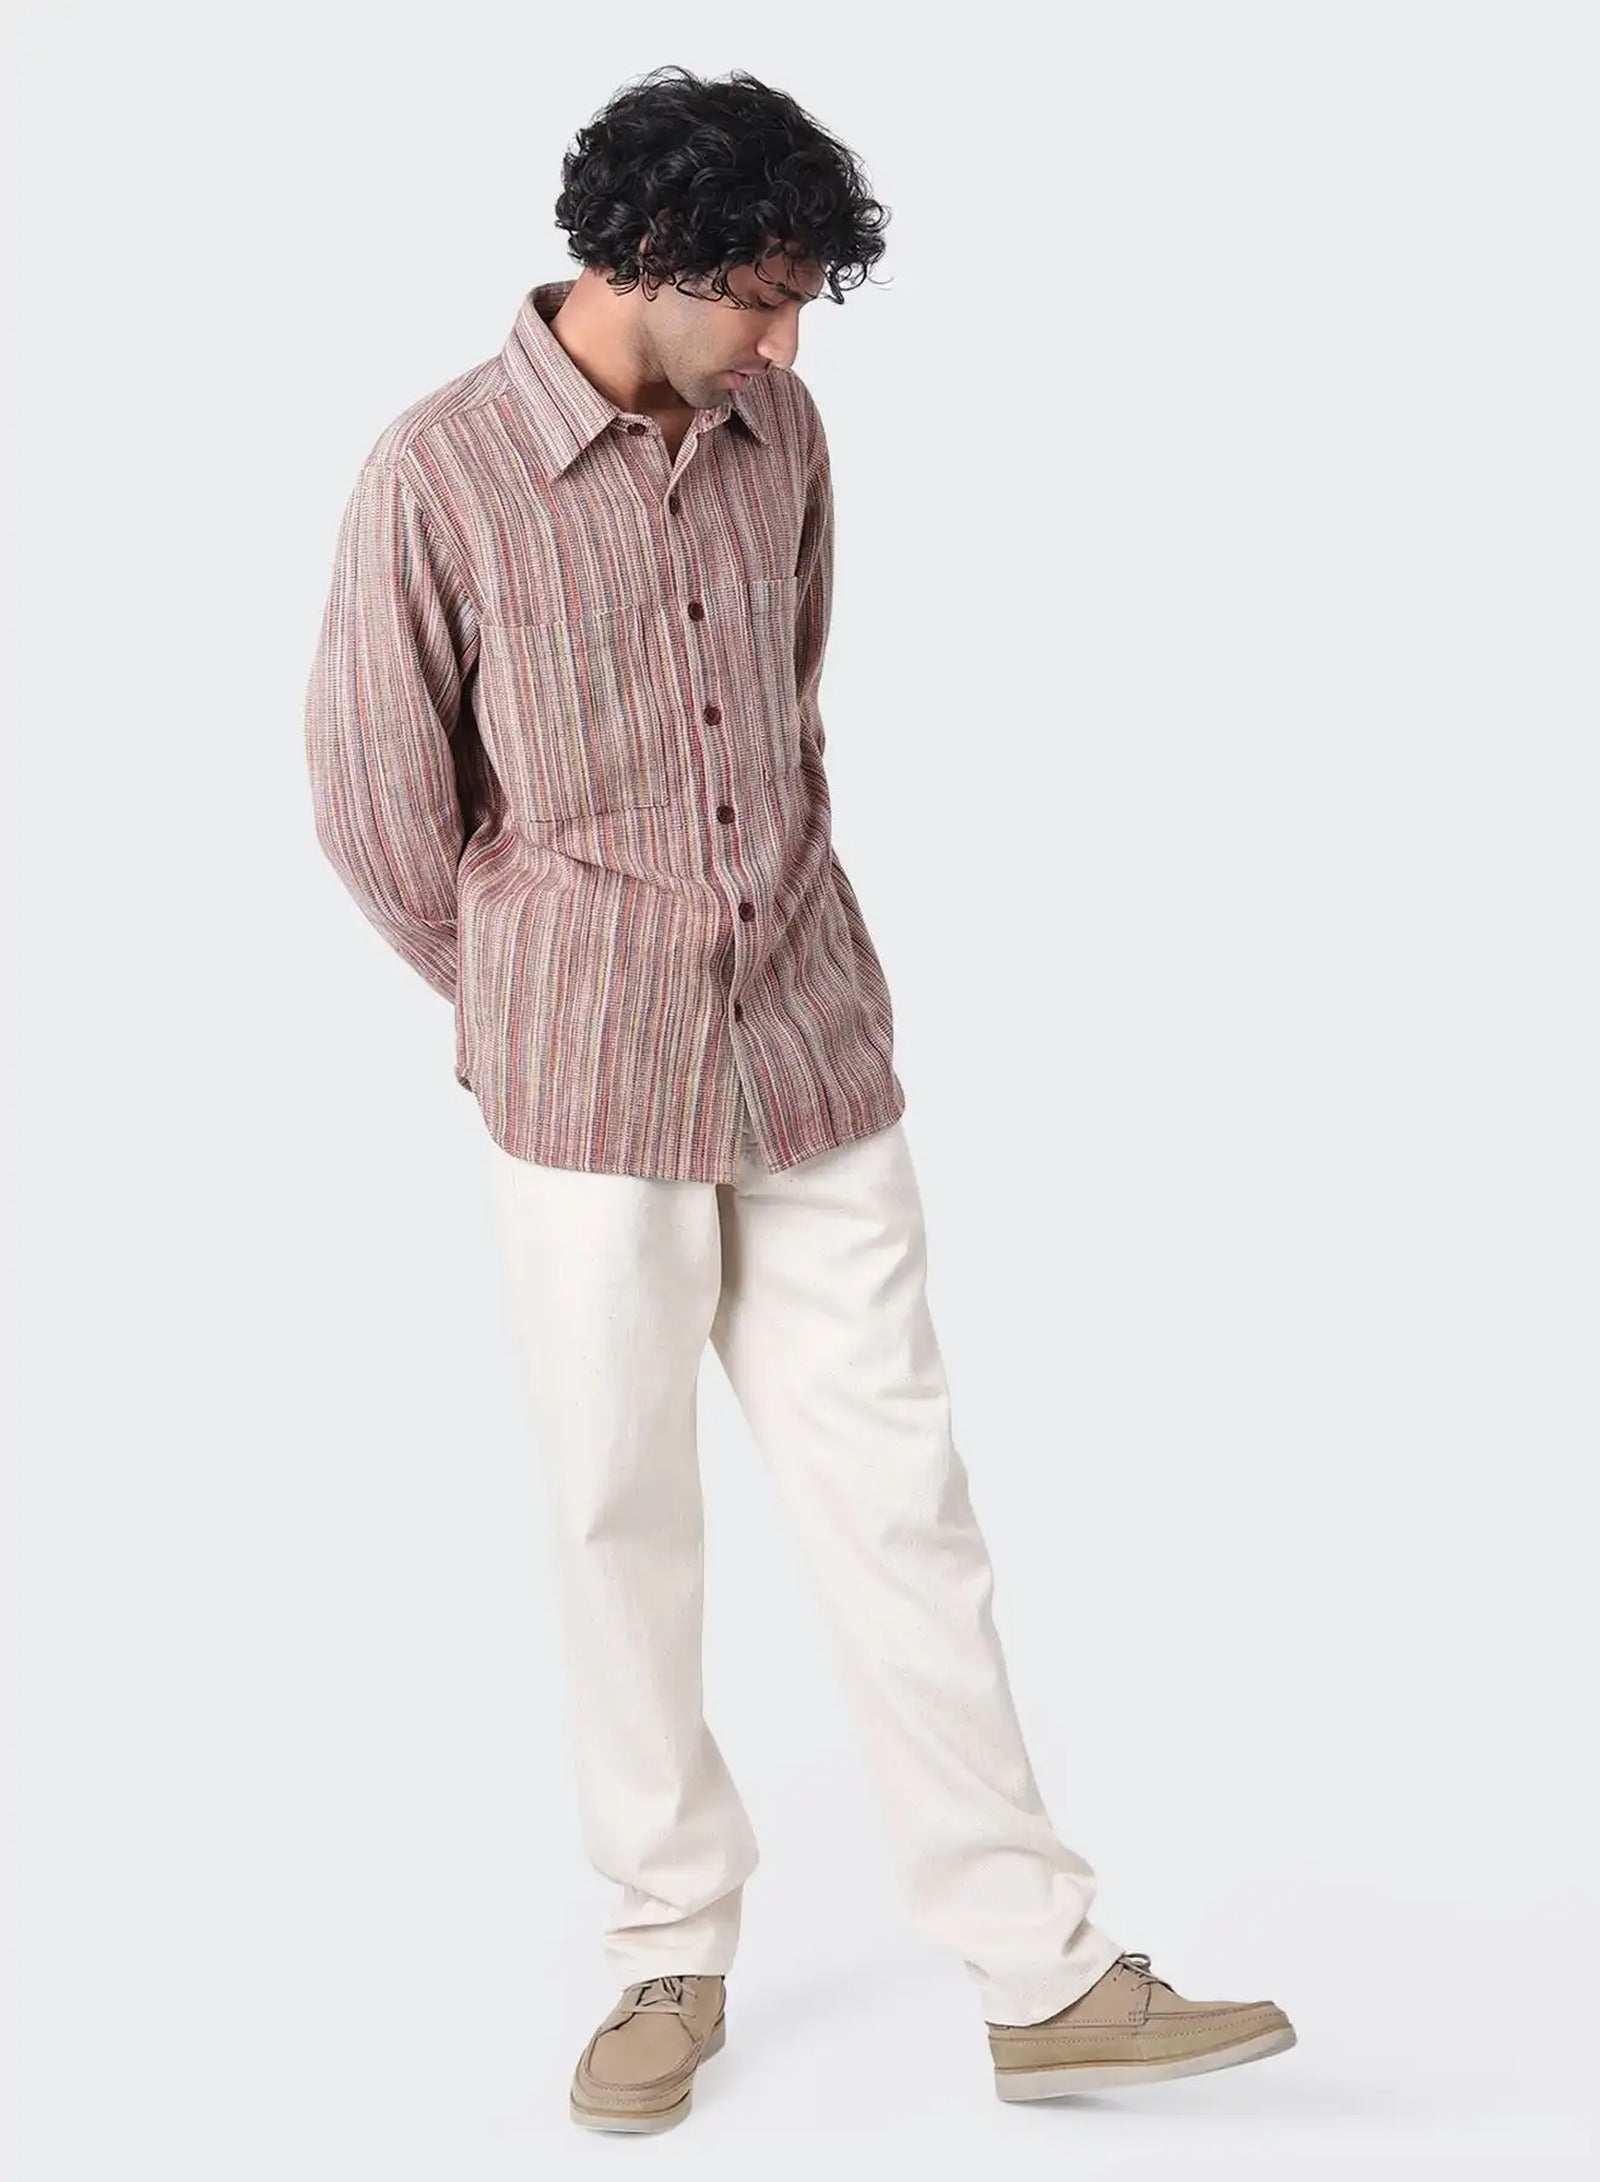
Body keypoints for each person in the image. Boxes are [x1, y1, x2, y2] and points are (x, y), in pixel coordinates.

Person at [303, 64, 1295, 2132]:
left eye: (798, 303)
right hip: (585, 1086)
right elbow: (382, 809)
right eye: (759, 296)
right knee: (620, 1516)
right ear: (644, 255)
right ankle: (665, 1951)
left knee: (903, 1504)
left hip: (813, 1044)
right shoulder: (438, 472)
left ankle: (1040, 1967)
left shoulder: (785, 437)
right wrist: (534, 990)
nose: (783, 342)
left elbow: (791, 699)